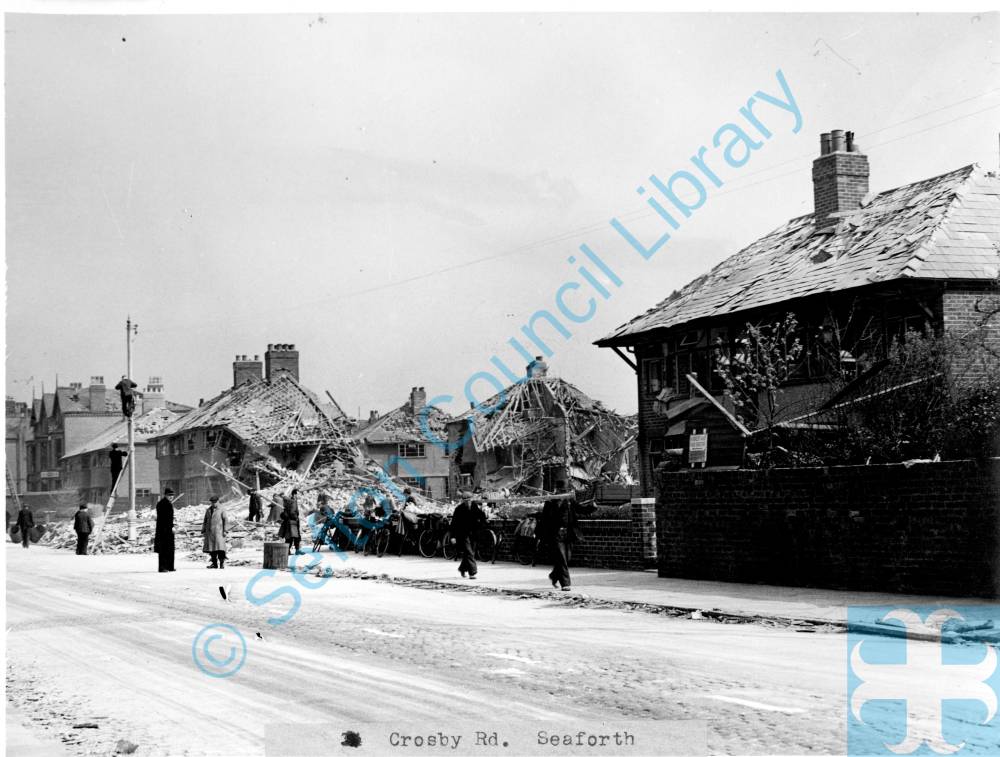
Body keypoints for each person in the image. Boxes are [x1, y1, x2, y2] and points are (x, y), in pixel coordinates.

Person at [540, 482, 595, 591]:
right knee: (561, 558)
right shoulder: (550, 502)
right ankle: (565, 584)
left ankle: (554, 575)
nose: (563, 492)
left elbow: (580, 509)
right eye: (561, 490)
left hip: (568, 533)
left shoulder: (569, 501)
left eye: (564, 490)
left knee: (567, 558)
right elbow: (545, 519)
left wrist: (592, 507)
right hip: (555, 534)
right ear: (556, 490)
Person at [450, 491, 486, 579]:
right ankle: (472, 572)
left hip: (473, 533)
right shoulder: (459, 509)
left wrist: (483, 521)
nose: (467, 501)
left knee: (469, 553)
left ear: (472, 499)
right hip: (462, 534)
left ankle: (462, 568)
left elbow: (481, 516)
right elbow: (454, 523)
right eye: (465, 500)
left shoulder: (474, 507)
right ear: (463, 500)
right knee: (469, 552)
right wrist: (453, 536)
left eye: (469, 499)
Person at [202, 495, 229, 569]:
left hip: (219, 532)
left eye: (215, 502)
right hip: (210, 532)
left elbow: (225, 520)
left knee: (220, 549)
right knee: (212, 550)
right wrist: (203, 530)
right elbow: (205, 520)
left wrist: (225, 530)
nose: (213, 504)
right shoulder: (208, 510)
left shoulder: (222, 509)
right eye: (212, 502)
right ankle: (214, 564)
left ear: (218, 501)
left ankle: (222, 564)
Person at [155, 488, 177, 572]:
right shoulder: (162, 504)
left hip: (168, 529)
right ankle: (162, 567)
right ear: (165, 495)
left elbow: (169, 518)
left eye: (172, 495)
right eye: (169, 495)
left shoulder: (168, 503)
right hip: (163, 530)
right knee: (163, 549)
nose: (171, 497)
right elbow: (164, 519)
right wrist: (171, 526)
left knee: (170, 549)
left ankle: (170, 566)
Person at [279, 489, 302, 554]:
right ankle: (297, 551)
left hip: (288, 521)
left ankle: (288, 551)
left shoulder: (289, 501)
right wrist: (296, 518)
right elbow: (292, 512)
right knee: (296, 536)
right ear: (294, 494)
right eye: (298, 494)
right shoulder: (293, 501)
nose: (299, 496)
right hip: (293, 521)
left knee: (289, 537)